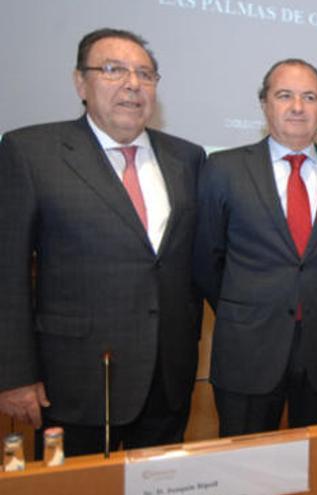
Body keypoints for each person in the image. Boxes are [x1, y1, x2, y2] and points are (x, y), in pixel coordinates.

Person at [0, 28, 204, 455]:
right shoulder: (31, 151)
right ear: (80, 82)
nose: (133, 84)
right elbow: (8, 271)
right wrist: (14, 374)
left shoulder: (187, 157)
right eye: (113, 70)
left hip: (167, 378)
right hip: (76, 381)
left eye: (145, 74)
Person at [193, 59, 317, 435]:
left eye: (310, 97)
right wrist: (246, 306)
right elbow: (206, 259)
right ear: (264, 104)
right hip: (247, 349)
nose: (298, 107)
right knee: (243, 468)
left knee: (316, 466)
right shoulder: (223, 169)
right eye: (284, 95)